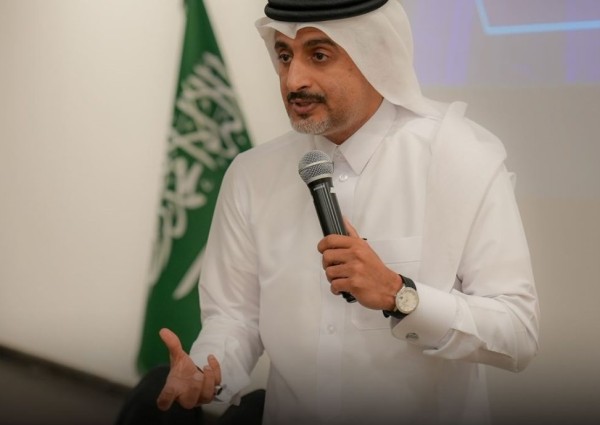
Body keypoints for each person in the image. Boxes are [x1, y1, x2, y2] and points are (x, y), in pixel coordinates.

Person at [156, 1, 540, 424]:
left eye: (319, 55)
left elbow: (517, 332)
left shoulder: (459, 159)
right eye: (284, 56)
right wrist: (209, 370)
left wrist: (399, 295)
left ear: (374, 55)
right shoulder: (252, 175)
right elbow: (234, 317)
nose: (293, 80)